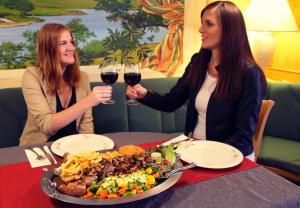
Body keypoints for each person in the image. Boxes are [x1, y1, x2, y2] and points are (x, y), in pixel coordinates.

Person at [126, 1, 267, 160]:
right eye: (202, 23)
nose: (201, 29)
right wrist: (144, 94)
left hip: (230, 158)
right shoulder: (198, 62)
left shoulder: (249, 74)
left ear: (229, 30)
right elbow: (171, 102)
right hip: (196, 151)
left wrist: (206, 155)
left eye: (209, 24)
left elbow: (242, 136)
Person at [19, 23, 112, 145]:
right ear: (48, 48)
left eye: (71, 42)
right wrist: (88, 101)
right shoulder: (32, 75)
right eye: (63, 43)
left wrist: (89, 151)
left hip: (73, 148)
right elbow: (46, 125)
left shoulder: (82, 77)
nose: (71, 48)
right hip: (39, 151)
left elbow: (86, 123)